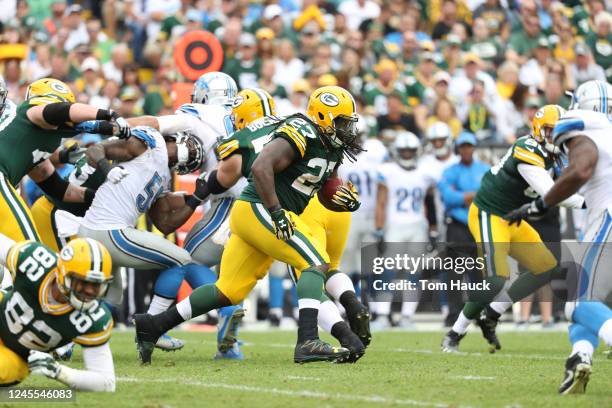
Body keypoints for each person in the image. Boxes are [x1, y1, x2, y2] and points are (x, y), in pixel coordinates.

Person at [134, 86, 363, 365]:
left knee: (227, 291)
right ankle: (307, 341)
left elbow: (323, 191)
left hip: (257, 215)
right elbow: (260, 167)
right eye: (342, 122)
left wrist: (341, 202)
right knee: (315, 263)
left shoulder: (333, 150)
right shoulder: (302, 128)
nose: (347, 129)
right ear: (324, 118)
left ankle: (153, 325)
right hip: (260, 208)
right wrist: (277, 212)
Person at [442, 105, 585, 353]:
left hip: (512, 218)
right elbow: (552, 194)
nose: (555, 136)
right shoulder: (527, 150)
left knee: (546, 267)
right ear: (540, 130)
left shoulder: (556, 153)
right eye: (551, 131)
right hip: (489, 213)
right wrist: (588, 202)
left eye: (559, 131)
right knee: (496, 279)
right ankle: (455, 333)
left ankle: (492, 314)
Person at [503, 80, 612, 394]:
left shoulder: (582, 124)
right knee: (587, 298)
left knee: (575, 303)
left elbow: (580, 169)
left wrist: (540, 203)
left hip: (606, 221)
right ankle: (580, 356)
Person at [0, 77, 129, 244]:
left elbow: (57, 188)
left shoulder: (33, 140)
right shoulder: (30, 112)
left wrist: (98, 196)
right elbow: (58, 111)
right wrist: (107, 113)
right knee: (29, 251)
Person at [0, 236, 115, 391]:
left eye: (96, 285)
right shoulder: (35, 259)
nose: (89, 290)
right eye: (83, 282)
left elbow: (106, 383)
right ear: (62, 274)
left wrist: (59, 371)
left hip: (15, 355)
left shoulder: (93, 318)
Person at [373, 132, 436, 328]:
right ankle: (383, 314)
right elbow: (381, 202)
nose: (407, 154)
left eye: (410, 151)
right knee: (387, 271)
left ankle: (407, 316)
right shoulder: (388, 170)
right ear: (396, 151)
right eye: (404, 151)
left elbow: (429, 203)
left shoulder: (425, 172)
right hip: (395, 225)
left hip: (417, 225)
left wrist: (432, 229)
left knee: (413, 273)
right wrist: (379, 228)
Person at [438, 132, 489, 327]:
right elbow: (448, 198)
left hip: (478, 225)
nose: (466, 149)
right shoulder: (450, 170)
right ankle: (453, 314)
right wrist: (475, 195)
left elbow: (489, 195)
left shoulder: (483, 169)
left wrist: (463, 197)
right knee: (455, 273)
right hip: (457, 226)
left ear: (473, 148)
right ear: (458, 149)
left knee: (478, 273)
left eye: (469, 146)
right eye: (463, 146)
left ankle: (476, 313)